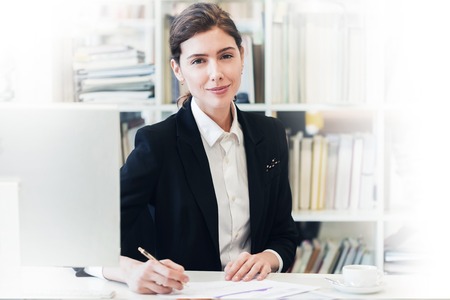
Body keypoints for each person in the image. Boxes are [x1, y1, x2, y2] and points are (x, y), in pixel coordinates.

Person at [98, 2, 298, 294]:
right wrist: (129, 271)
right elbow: (89, 236)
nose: (215, 73)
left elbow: (284, 234)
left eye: (226, 56)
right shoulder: (157, 144)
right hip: (184, 293)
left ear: (242, 57)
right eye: (198, 61)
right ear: (178, 70)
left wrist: (268, 259)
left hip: (254, 293)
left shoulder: (271, 134)